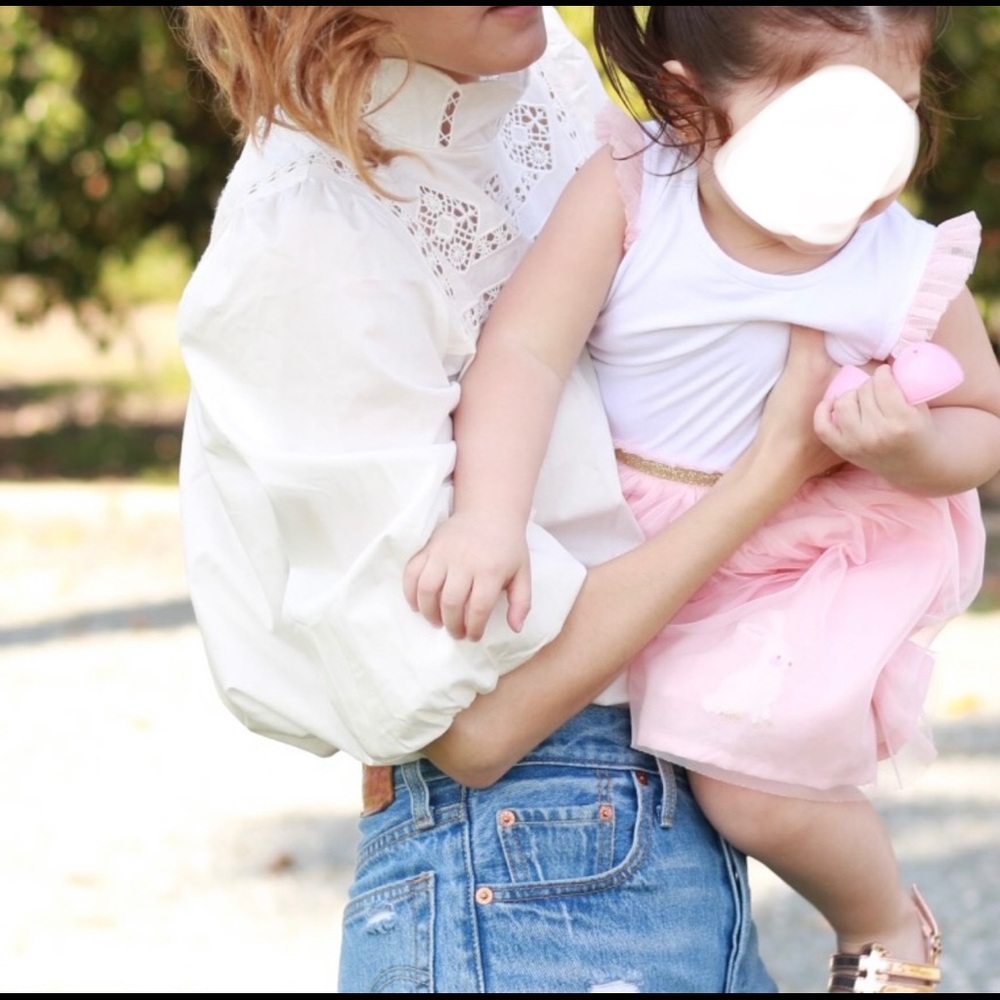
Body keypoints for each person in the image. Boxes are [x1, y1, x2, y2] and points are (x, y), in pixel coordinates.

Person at [172, 5, 942, 994]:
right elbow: (478, 733)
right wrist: (769, 475)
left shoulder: (540, 75)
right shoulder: (300, 240)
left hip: (669, 821)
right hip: (521, 869)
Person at [403, 5, 1000, 994]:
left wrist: (914, 443)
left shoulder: (896, 261)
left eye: (895, 110)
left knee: (746, 787)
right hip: (626, 528)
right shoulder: (635, 191)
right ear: (689, 97)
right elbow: (525, 349)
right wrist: (487, 516)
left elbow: (986, 420)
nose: (868, 164)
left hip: (793, 553)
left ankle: (883, 924)